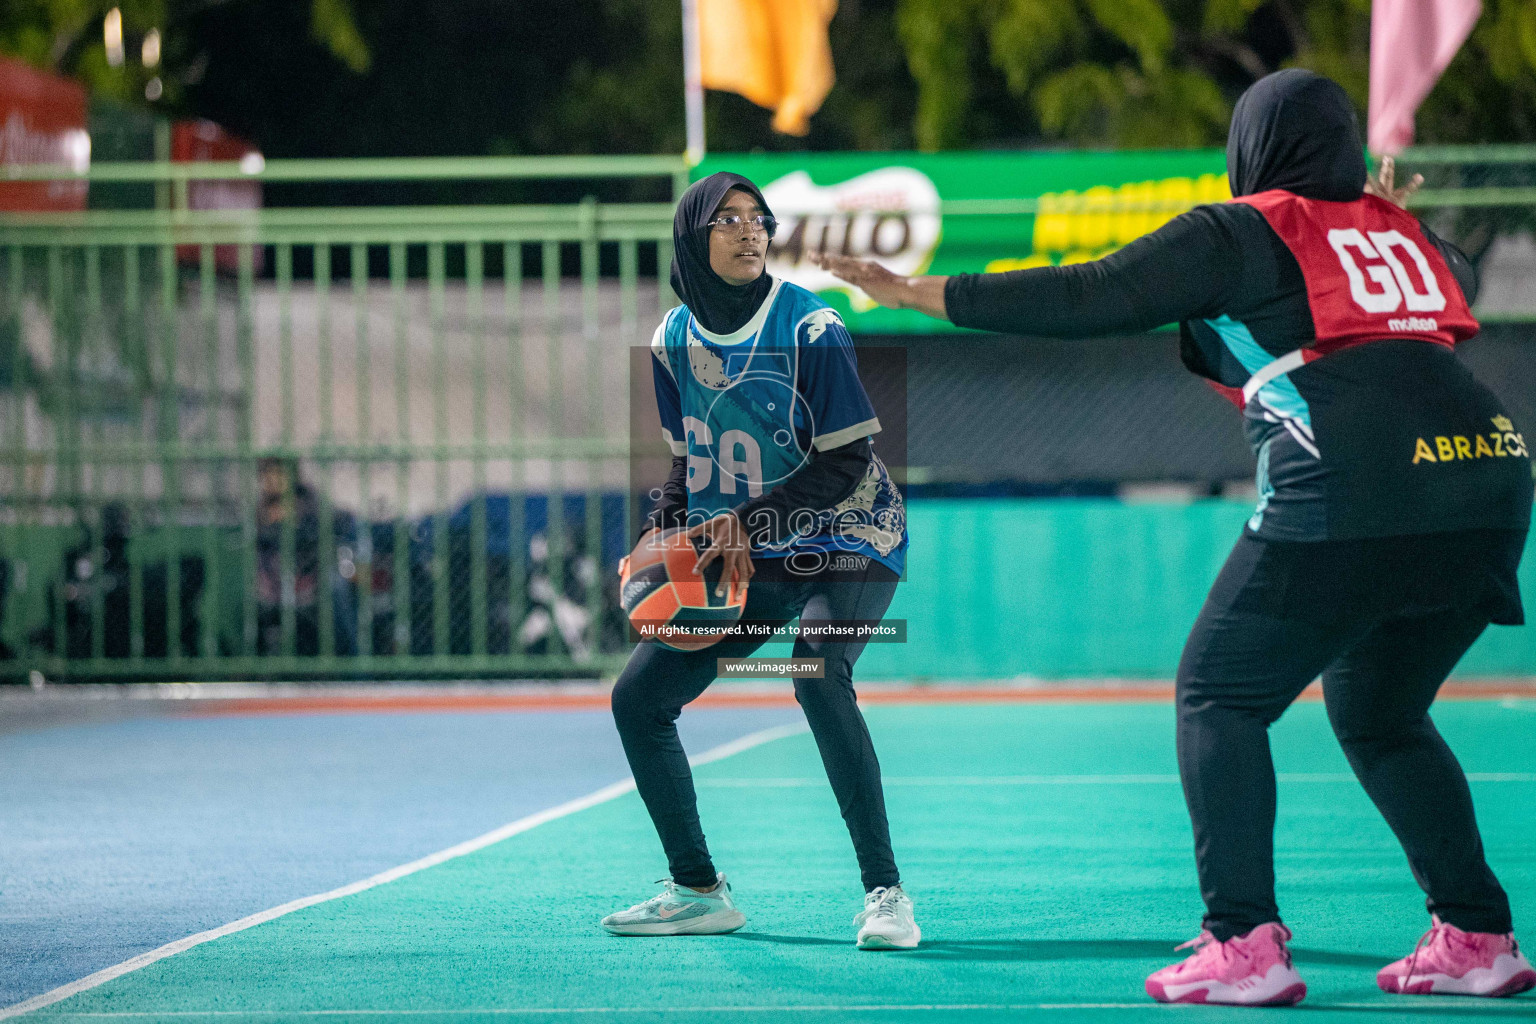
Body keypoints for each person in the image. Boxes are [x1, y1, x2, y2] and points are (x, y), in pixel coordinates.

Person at [818, 69, 1533, 1003]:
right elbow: (1460, 283)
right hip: (1490, 478)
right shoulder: (1401, 231)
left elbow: (1088, 294)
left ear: (1253, 148)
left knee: (1218, 696)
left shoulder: (1240, 230)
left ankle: (1244, 943)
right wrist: (1383, 213)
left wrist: (915, 291)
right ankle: (1479, 937)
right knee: (1379, 710)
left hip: (1360, 481)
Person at [603, 172, 918, 949]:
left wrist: (750, 521)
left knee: (815, 674)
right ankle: (697, 888)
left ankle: (887, 896)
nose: (750, 231)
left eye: (758, 219)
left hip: (850, 535)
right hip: (747, 548)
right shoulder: (674, 338)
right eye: (729, 219)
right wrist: (661, 537)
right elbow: (688, 464)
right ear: (692, 237)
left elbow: (848, 459)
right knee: (638, 699)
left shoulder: (811, 329)